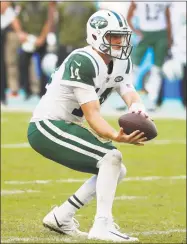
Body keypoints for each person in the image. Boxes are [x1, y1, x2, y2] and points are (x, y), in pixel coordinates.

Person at [27, 10, 149, 242]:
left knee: (116, 169)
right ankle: (102, 225)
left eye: (122, 37)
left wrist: (138, 108)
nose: (120, 42)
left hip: (67, 125)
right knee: (111, 157)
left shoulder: (120, 61)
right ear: (96, 35)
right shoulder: (83, 61)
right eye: (114, 37)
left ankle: (62, 216)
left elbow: (127, 90)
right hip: (47, 127)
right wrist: (116, 135)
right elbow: (92, 115)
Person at [127, 1, 172, 111]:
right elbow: (128, 16)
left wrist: (169, 37)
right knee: (133, 67)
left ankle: (152, 99)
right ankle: (128, 98)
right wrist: (136, 32)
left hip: (161, 33)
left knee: (157, 69)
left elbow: (167, 18)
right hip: (144, 32)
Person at [17, 2, 50, 99]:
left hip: (41, 38)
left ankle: (42, 91)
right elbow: (15, 18)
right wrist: (20, 33)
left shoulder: (45, 4)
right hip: (27, 39)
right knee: (23, 64)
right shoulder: (23, 4)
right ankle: (27, 90)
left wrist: (42, 38)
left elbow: (48, 21)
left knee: (43, 66)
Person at [1, 1, 27, 106]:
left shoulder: (9, 10)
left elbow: (14, 21)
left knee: (10, 62)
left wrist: (20, 33)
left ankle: (13, 90)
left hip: (8, 35)